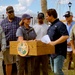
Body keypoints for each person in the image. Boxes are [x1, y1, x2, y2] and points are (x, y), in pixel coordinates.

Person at [46, 8, 69, 75]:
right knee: (54, 71)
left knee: (57, 71)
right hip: (52, 52)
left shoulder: (60, 25)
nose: (46, 18)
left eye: (47, 16)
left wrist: (54, 43)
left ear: (51, 16)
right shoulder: (51, 26)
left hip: (59, 52)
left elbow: (65, 36)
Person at [0, 6, 21, 75]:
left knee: (19, 63)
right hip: (7, 46)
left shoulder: (19, 20)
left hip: (18, 46)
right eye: (9, 12)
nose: (11, 13)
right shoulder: (3, 22)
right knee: (8, 64)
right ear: (6, 13)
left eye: (12, 12)